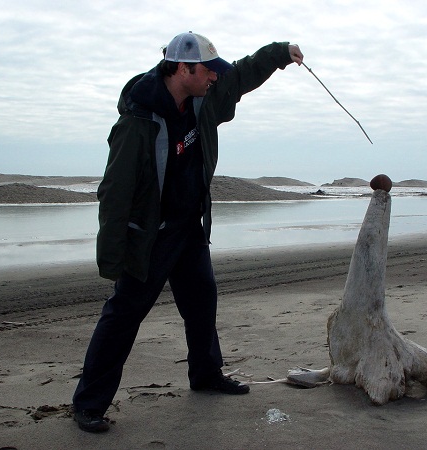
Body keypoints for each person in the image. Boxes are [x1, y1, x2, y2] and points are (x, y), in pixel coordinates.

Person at [72, 31, 304, 433]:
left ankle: (206, 375)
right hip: (150, 235)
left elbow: (240, 74)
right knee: (123, 316)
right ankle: (89, 403)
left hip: (189, 225)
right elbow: (114, 192)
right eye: (207, 71)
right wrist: (112, 256)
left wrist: (279, 54)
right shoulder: (137, 121)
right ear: (183, 69)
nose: (214, 77)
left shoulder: (203, 99)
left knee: (201, 303)